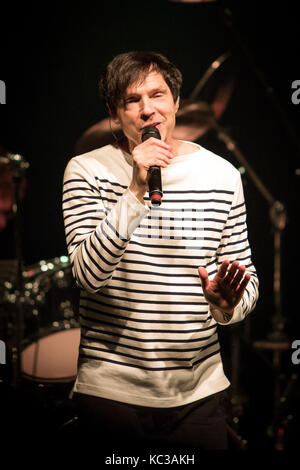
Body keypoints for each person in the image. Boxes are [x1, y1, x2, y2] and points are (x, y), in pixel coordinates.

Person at [62, 51, 259, 451]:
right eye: (132, 100)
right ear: (115, 115)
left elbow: (247, 280)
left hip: (198, 394)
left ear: (177, 103)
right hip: (112, 393)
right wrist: (135, 190)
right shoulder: (86, 170)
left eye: (158, 95)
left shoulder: (221, 175)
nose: (148, 110)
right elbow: (87, 275)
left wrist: (226, 304)